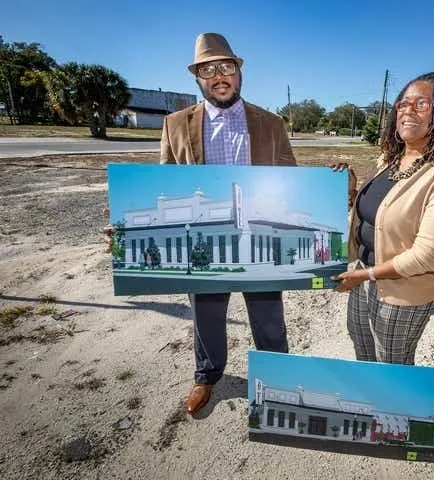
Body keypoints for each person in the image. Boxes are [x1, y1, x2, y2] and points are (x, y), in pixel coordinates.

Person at [106, 32, 296, 415]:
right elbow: (163, 183)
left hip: (256, 233)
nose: (218, 75)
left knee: (268, 313)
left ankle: (277, 376)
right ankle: (207, 375)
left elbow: (289, 176)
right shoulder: (176, 124)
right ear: (197, 78)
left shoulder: (271, 123)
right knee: (206, 313)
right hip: (204, 238)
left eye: (226, 66)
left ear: (238, 72)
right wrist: (132, 229)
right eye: (208, 70)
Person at [333, 72, 434, 365]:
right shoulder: (389, 160)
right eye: (403, 104)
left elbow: (430, 255)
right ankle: (371, 403)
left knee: (392, 362)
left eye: (421, 104)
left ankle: (394, 412)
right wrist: (351, 191)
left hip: (405, 290)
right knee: (363, 346)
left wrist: (364, 275)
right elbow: (379, 214)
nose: (407, 110)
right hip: (365, 275)